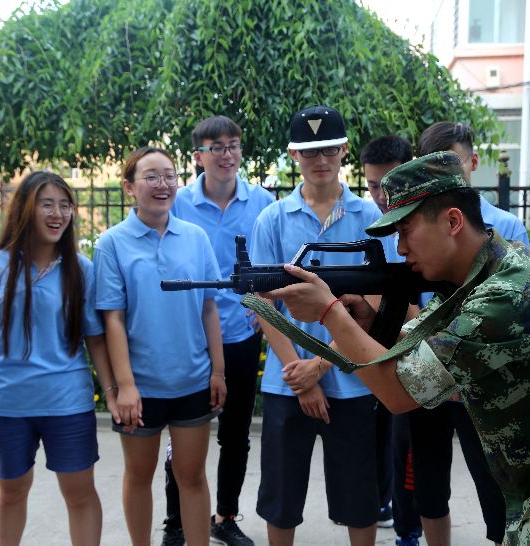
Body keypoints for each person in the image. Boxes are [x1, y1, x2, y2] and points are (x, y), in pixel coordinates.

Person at [265, 150, 530, 544]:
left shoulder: (506, 296)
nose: (400, 249)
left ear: (452, 221)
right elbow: (423, 346)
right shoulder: (488, 269)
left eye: (406, 231)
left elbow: (399, 392)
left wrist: (329, 311)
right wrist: (366, 322)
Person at [252, 105, 398, 546]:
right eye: (310, 151)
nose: (321, 161)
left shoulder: (370, 219)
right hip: (288, 381)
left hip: (354, 379)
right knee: (281, 497)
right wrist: (302, 373)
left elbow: (376, 297)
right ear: (295, 154)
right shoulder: (272, 219)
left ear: (344, 150)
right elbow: (261, 301)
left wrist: (322, 363)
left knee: (360, 496)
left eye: (329, 150)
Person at [0, 171, 109, 546]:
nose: (58, 213)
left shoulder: (82, 269)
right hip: (6, 405)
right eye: (47, 204)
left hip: (67, 404)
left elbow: (96, 340)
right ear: (26, 209)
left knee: (80, 493)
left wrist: (114, 390)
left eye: (65, 205)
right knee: (11, 492)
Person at [404, 121, 530, 546]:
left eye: (452, 164)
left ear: (473, 162)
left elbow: (510, 312)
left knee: (495, 479)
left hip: (484, 377)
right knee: (427, 478)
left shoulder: (506, 228)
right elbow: (408, 294)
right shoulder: (415, 224)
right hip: (430, 362)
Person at [95, 147, 226, 546]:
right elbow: (112, 318)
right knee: (138, 475)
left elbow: (208, 308)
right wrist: (124, 385)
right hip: (140, 387)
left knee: (192, 475)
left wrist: (217, 371)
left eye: (169, 175)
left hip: (190, 379)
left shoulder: (196, 237)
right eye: (151, 177)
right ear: (129, 187)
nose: (162, 185)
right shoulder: (112, 244)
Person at [162, 116, 274, 546]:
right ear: (198, 157)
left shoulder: (262, 202)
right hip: (190, 339)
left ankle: (225, 517)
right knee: (182, 436)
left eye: (233, 146)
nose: (227, 155)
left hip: (242, 336)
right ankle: (176, 523)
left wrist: (267, 306)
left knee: (235, 434)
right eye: (217, 147)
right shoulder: (179, 203)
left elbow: (275, 265)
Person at [360, 135, 423, 546]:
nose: (380, 196)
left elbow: (430, 321)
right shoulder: (378, 224)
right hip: (398, 355)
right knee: (396, 450)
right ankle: (403, 525)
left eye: (388, 185)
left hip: (427, 354)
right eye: (371, 186)